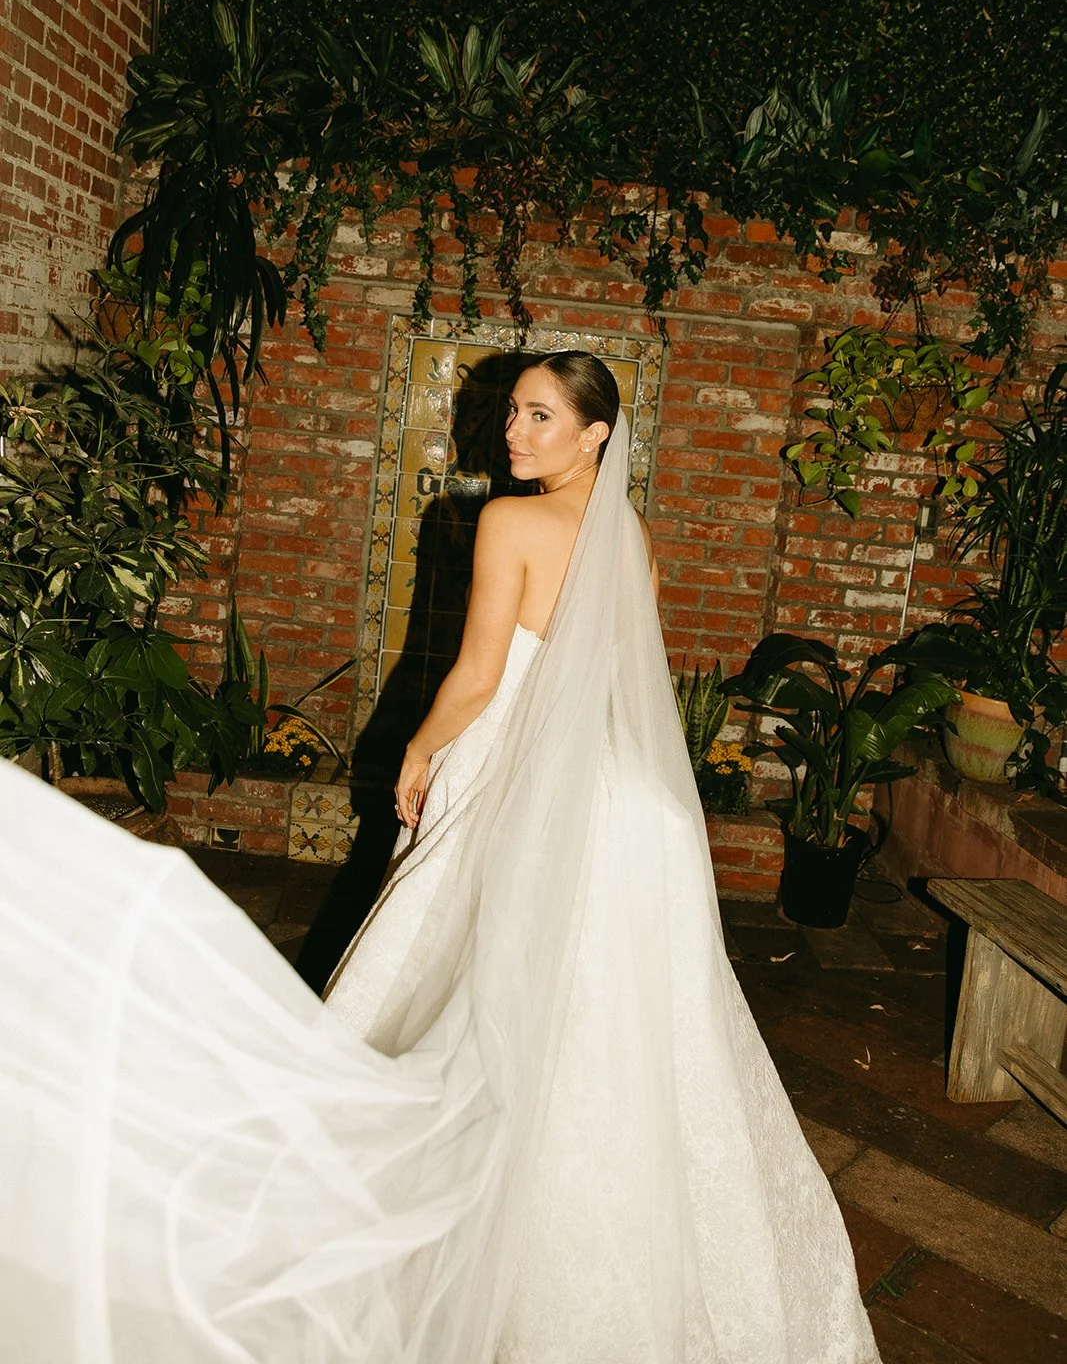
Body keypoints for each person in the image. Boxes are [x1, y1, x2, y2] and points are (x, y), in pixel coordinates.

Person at [0, 350, 880, 1364]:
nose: (514, 432)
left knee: (476, 986)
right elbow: (613, 676)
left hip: (516, 774)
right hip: (623, 803)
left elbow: (474, 675)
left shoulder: (509, 522)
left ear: (596, 433)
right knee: (621, 1022)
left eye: (539, 416)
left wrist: (418, 751)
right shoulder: (627, 536)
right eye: (512, 411)